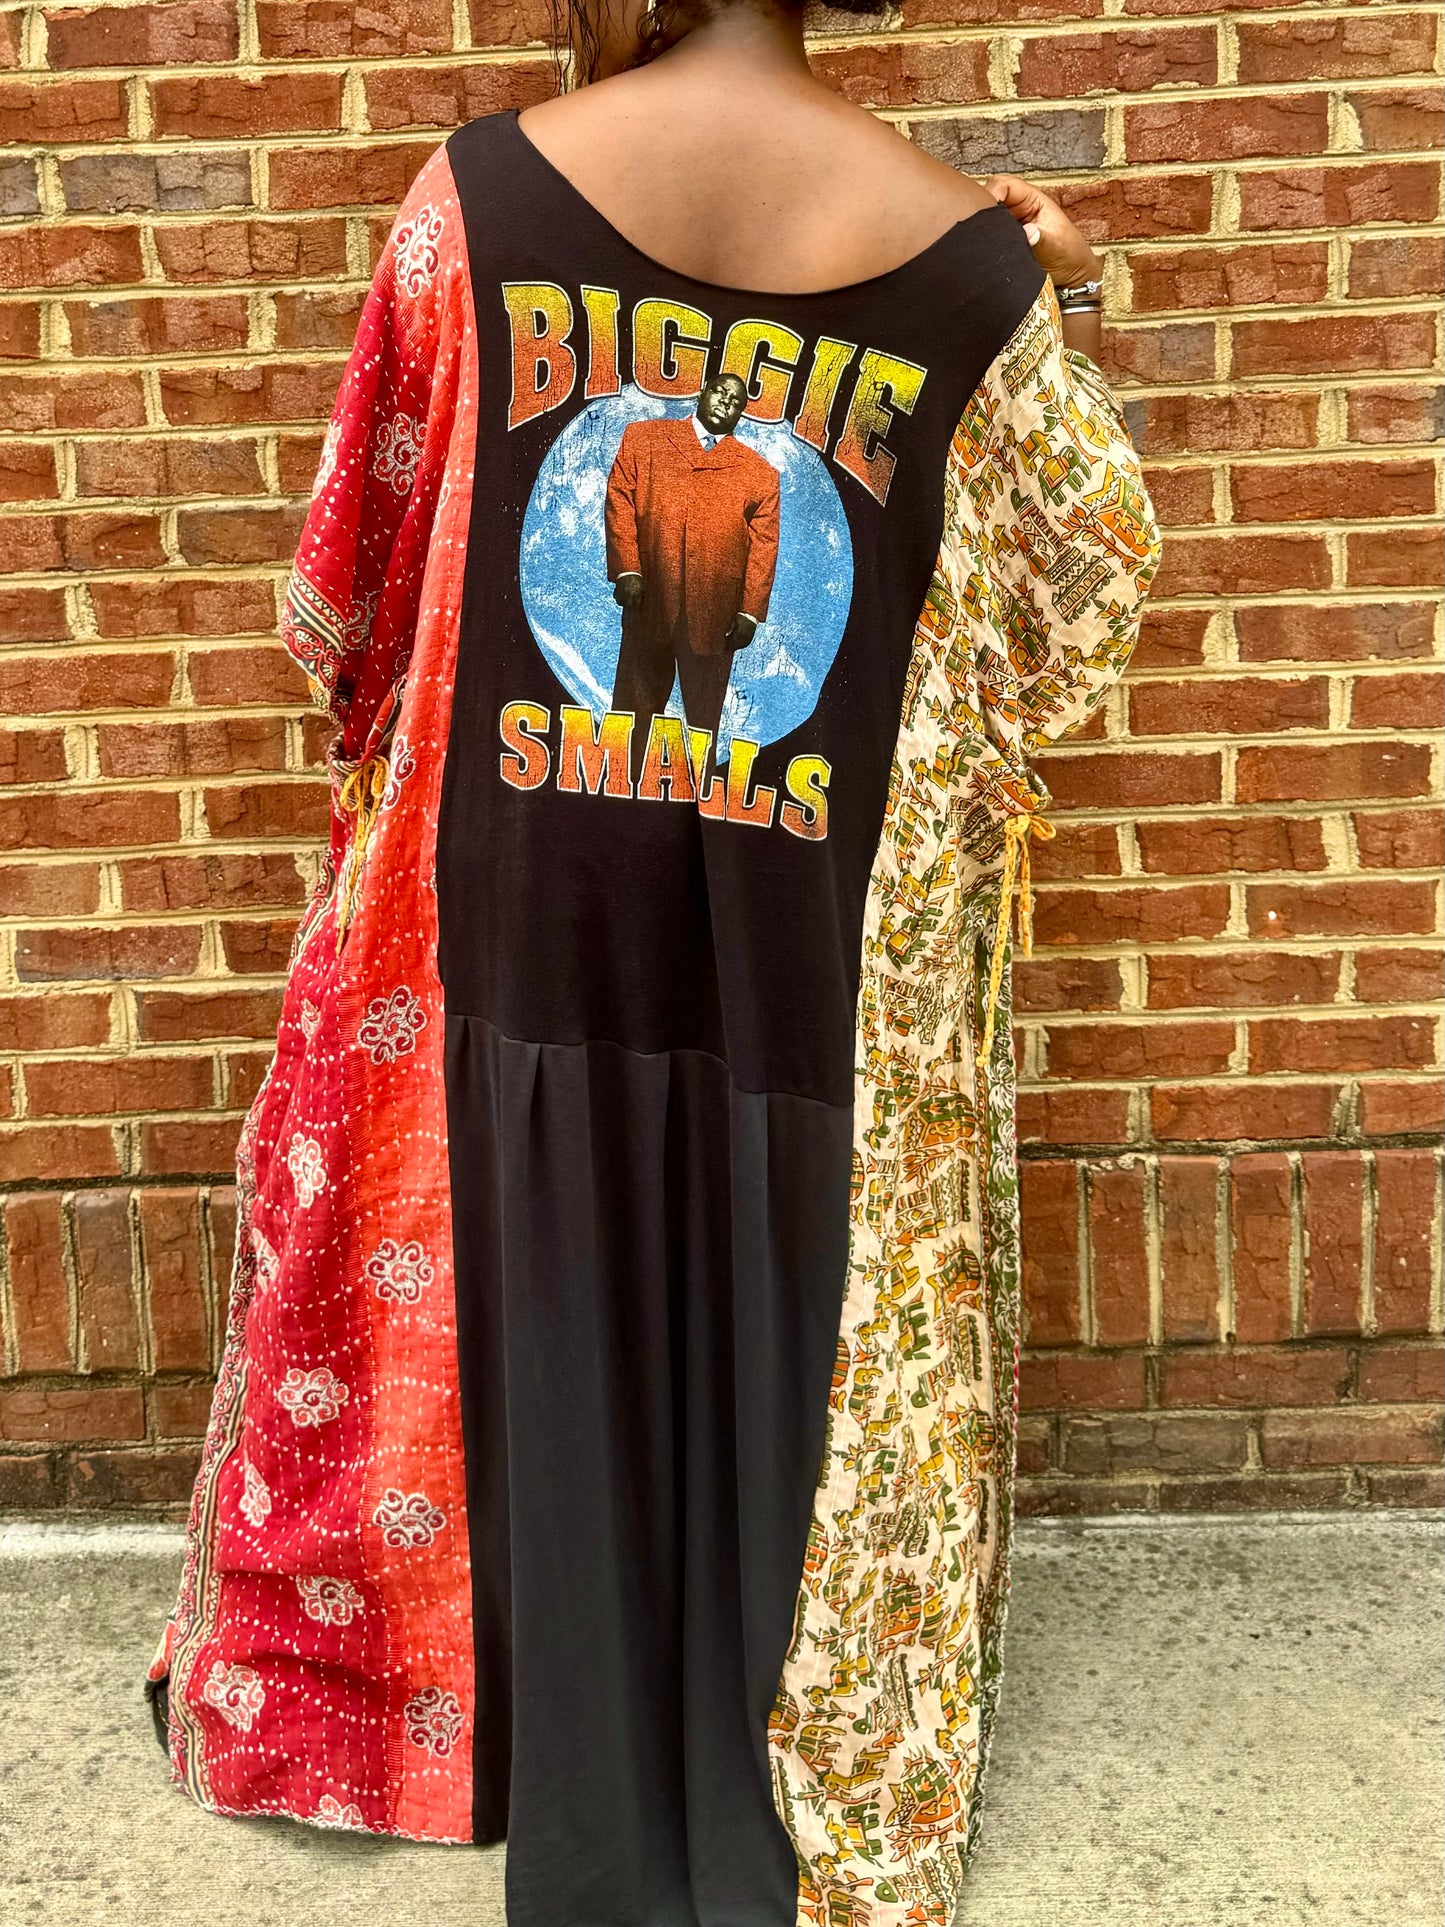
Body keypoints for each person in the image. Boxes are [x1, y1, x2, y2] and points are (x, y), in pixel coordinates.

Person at [146, 1, 1161, 1924]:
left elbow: (349, 586)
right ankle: (767, 1739)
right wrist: (1032, 297)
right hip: (813, 959)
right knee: (794, 1299)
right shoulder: (968, 268)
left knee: (542, 1296)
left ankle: (536, 1743)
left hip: (523, 923)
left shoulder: (473, 203)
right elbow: (1077, 611)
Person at [607, 370, 779, 773]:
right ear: (703, 392)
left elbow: (764, 547)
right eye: (720, 392)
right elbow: (620, 499)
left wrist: (750, 611)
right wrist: (627, 569)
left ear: (741, 413)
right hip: (649, 601)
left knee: (702, 725)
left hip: (715, 617)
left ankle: (694, 796)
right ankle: (618, 785)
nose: (725, 403)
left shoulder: (760, 474)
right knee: (632, 710)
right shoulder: (645, 439)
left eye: (736, 402)